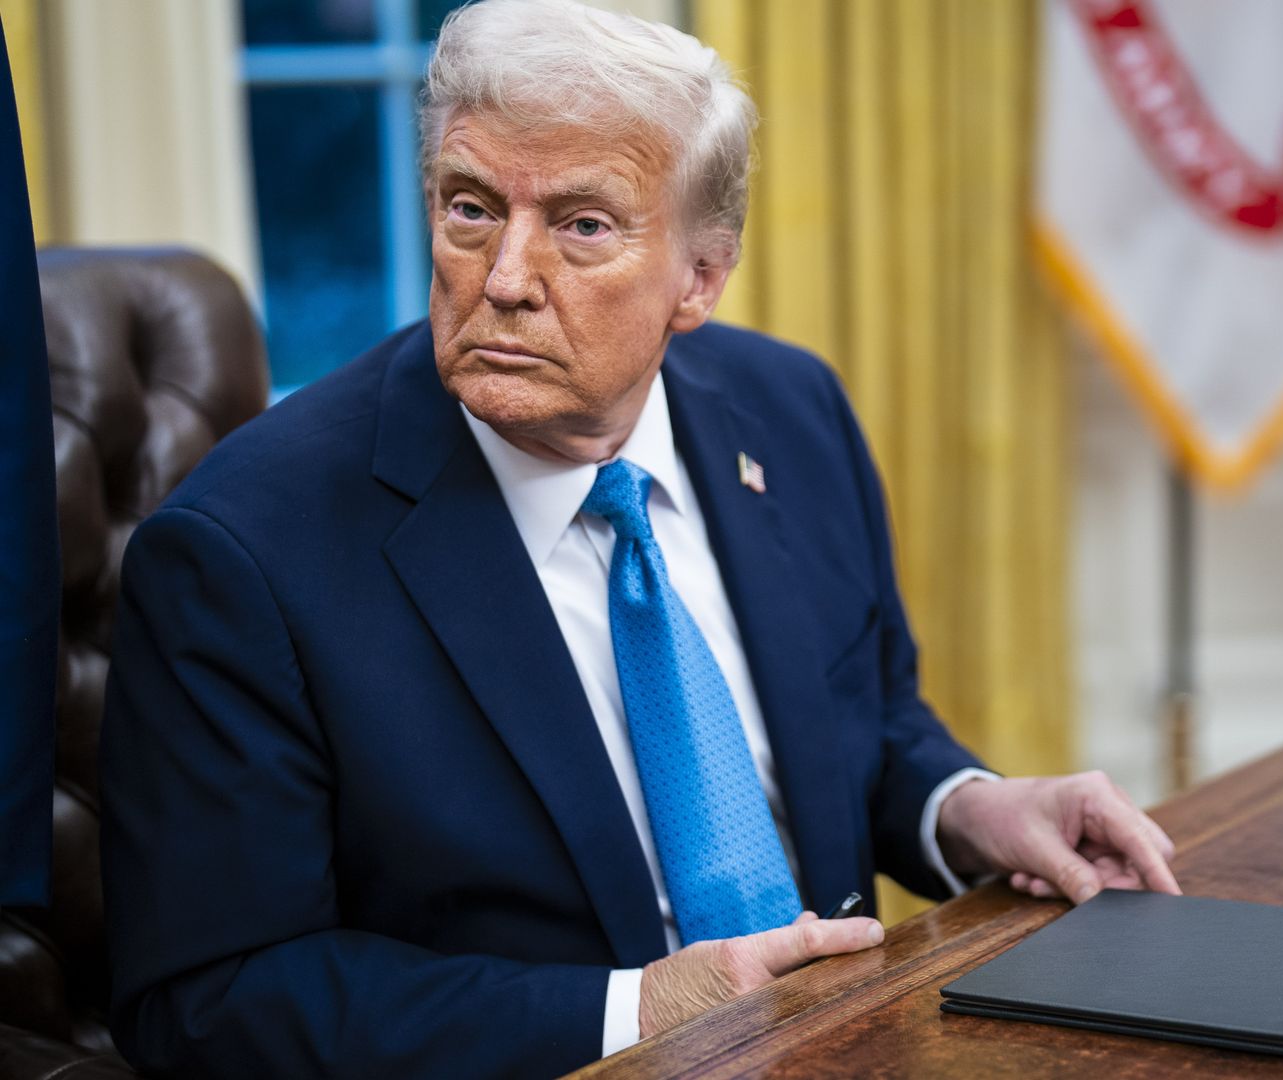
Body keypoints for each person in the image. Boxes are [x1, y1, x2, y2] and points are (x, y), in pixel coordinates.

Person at [99, 1, 1178, 1076]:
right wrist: (633, 1013)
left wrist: (967, 807)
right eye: (470, 208)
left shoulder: (790, 411)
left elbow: (864, 720)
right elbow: (210, 1003)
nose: (507, 277)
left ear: (701, 277)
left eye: (583, 226)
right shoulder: (242, 553)